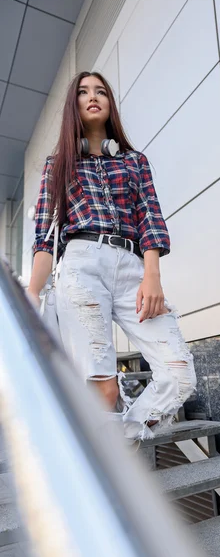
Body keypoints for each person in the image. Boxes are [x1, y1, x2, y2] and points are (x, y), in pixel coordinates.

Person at [27, 71, 196, 440]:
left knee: (179, 373)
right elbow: (44, 238)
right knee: (102, 389)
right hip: (81, 265)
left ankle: (119, 444)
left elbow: (150, 216)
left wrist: (152, 275)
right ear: (73, 105)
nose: (93, 96)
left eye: (101, 91)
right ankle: (110, 464)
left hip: (134, 267)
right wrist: (32, 294)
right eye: (84, 92)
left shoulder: (135, 161)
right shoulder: (57, 165)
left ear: (109, 103)